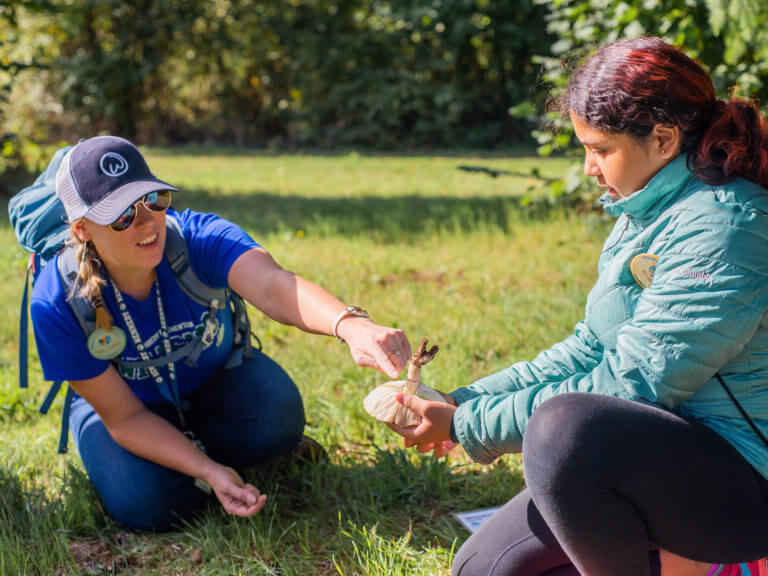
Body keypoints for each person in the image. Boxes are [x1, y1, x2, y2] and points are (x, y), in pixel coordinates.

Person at [387, 37, 768, 576]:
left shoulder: (728, 226)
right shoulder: (647, 208)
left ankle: (729, 565)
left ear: (663, 139)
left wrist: (466, 425)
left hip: (747, 480)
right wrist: (459, 401)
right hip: (664, 453)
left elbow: (631, 385)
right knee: (483, 569)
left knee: (565, 433)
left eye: (600, 148)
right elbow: (590, 345)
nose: (589, 167)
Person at [30, 135, 412, 531]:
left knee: (276, 418)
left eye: (153, 199)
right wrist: (209, 471)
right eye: (121, 216)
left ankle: (208, 450)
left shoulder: (198, 238)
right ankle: (194, 462)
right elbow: (124, 418)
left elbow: (273, 284)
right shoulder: (55, 300)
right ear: (82, 230)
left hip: (212, 381)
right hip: (128, 408)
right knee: (147, 508)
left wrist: (350, 325)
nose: (147, 222)